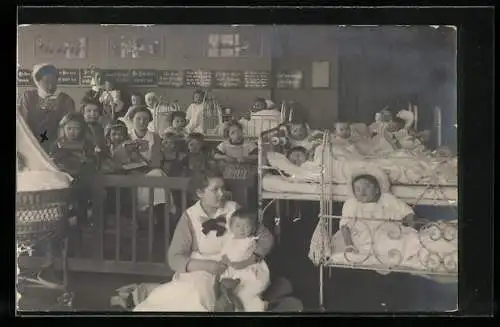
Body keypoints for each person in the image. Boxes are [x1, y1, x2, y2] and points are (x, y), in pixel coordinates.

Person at [133, 171, 274, 311]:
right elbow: (174, 257)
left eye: (223, 188)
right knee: (196, 295)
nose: (221, 193)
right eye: (215, 190)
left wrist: (251, 259)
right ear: (200, 193)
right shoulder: (190, 216)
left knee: (243, 297)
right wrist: (205, 265)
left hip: (237, 266)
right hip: (203, 267)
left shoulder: (234, 209)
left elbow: (265, 237)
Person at [191, 207, 270, 311]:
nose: (242, 230)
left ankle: (256, 305)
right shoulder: (230, 239)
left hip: (247, 268)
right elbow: (225, 252)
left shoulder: (250, 241)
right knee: (220, 285)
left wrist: (237, 263)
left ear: (252, 228)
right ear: (232, 228)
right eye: (238, 226)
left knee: (245, 292)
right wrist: (225, 260)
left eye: (246, 226)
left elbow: (242, 256)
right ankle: (227, 301)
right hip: (232, 269)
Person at [17, 63, 75, 153]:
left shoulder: (66, 100)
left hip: (58, 147)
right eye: (46, 82)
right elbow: (23, 123)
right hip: (32, 145)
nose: (50, 86)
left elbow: (71, 125)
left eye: (53, 82)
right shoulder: (28, 97)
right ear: (38, 81)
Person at [127, 105, 163, 171]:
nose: (142, 122)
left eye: (145, 119)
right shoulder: (126, 137)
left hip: (150, 172)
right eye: (138, 118)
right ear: (132, 119)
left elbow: (156, 163)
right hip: (131, 173)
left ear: (149, 120)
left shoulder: (155, 137)